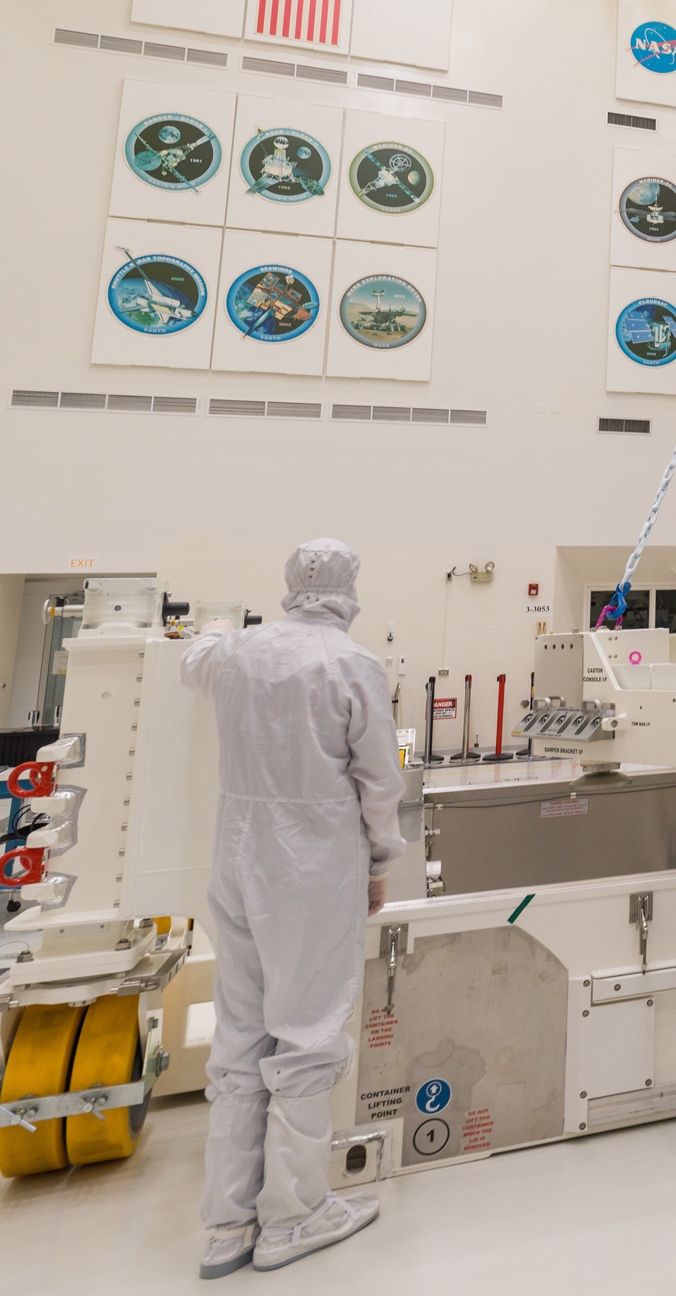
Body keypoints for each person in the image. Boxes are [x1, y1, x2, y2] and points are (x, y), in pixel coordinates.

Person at [185, 539, 405, 1277]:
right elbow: (379, 782)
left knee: (241, 1035)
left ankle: (226, 1224)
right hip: (312, 867)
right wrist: (380, 862)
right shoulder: (352, 663)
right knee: (306, 1036)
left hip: (237, 856)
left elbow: (194, 659)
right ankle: (295, 1214)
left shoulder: (239, 653)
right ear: (349, 586)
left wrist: (214, 628)